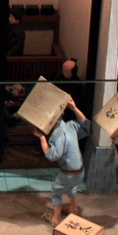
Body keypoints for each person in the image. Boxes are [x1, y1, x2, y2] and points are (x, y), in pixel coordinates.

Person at [35, 95, 91, 227]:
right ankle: (73, 210)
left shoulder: (57, 135)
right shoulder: (71, 125)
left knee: (56, 191)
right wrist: (74, 108)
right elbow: (85, 125)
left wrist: (42, 137)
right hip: (80, 170)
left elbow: (52, 156)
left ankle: (56, 219)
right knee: (72, 187)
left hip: (68, 173)